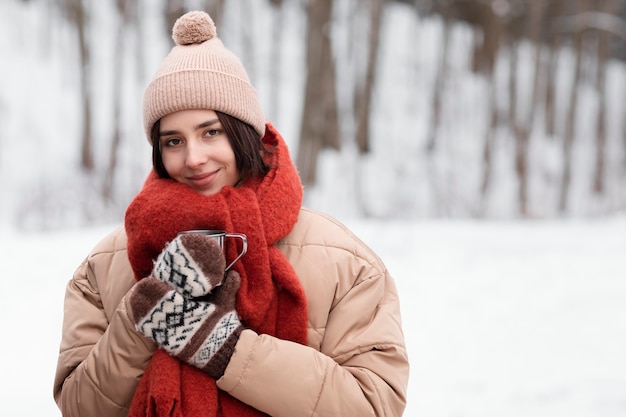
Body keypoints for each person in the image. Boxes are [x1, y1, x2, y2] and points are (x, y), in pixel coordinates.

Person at [53, 10, 409, 417]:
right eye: (173, 141)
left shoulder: (345, 262)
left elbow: (373, 406)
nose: (194, 158)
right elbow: (80, 408)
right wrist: (144, 314)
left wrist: (222, 348)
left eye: (211, 132)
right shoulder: (106, 266)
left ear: (243, 132)